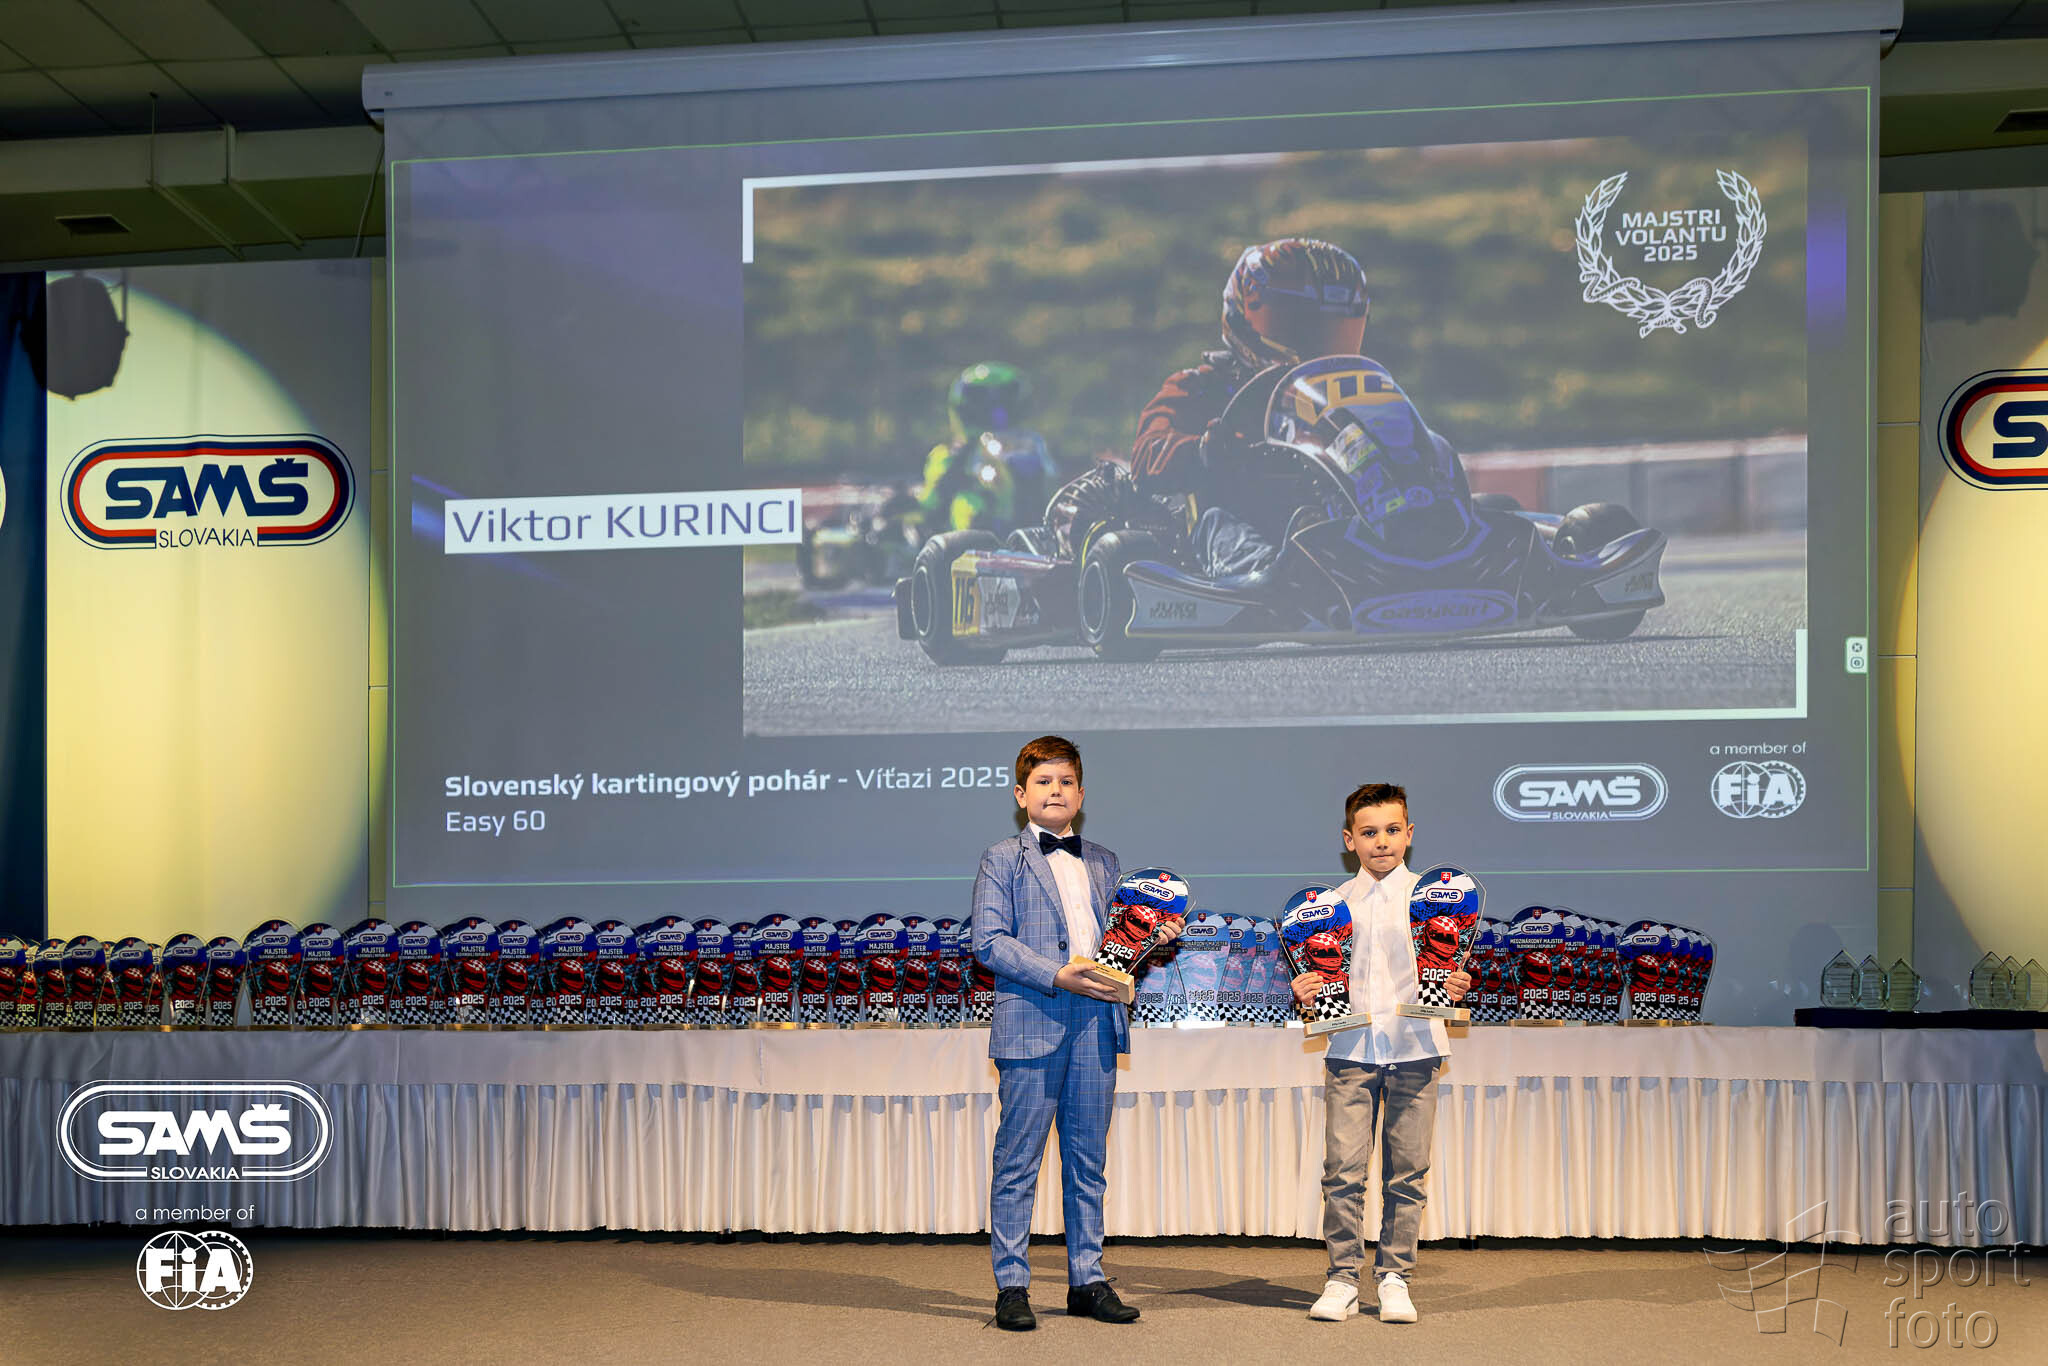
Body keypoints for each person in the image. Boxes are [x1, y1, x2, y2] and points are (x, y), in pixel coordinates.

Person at [971, 734, 1179, 1331]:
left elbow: (1120, 943)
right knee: (1018, 1162)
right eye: (1043, 782)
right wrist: (1054, 973)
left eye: (1066, 782)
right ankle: (1012, 1286)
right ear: (1021, 795)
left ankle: (1086, 1280)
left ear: (1081, 795)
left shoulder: (1107, 862)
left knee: (1088, 1163)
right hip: (1031, 1023)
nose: (1055, 791)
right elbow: (988, 941)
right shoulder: (1000, 858)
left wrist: (1154, 939)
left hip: (1096, 1026)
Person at [1129, 238, 1468, 591]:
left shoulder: (1346, 399)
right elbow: (1146, 453)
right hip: (1237, 527)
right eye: (1300, 330)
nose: (1318, 347)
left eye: (1333, 331)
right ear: (1244, 320)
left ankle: (1438, 545)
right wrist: (1203, 450)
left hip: (1324, 520)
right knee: (1217, 520)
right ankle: (1277, 580)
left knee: (1433, 461)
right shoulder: (1201, 387)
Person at [1290, 782, 1470, 1325]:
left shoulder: (1439, 900)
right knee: (1342, 1172)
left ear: (1409, 834)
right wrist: (1303, 990)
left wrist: (1458, 984)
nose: (1382, 842)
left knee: (1407, 1173)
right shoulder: (1328, 906)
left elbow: (1452, 971)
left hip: (1417, 1049)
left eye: (1393, 830)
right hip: (1350, 1050)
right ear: (1350, 840)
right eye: (1369, 833)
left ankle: (1395, 1278)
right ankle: (1342, 1278)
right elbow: (1315, 977)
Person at [916, 362, 1055, 540]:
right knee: (966, 503)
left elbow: (1052, 482)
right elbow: (929, 503)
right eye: (985, 410)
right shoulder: (949, 455)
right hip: (963, 539)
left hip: (1033, 530)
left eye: (1003, 410)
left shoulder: (1033, 446)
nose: (997, 417)